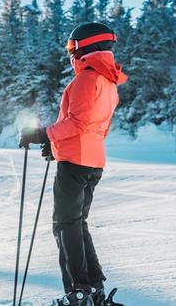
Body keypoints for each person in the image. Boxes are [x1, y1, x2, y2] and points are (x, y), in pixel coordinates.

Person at [19, 22, 128, 306]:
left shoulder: (87, 79)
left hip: (76, 163)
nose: (71, 53)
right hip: (92, 161)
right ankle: (93, 289)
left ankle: (78, 292)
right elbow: (92, 127)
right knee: (78, 224)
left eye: (72, 47)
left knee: (65, 226)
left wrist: (44, 133)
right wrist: (54, 144)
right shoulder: (108, 82)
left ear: (86, 47)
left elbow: (77, 122)